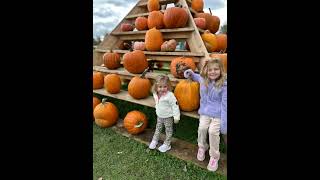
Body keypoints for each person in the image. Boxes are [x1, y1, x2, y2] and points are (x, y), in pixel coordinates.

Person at [184, 58, 227, 172]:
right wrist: (191, 74)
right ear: (206, 71)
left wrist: (224, 123)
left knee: (213, 132)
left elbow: (224, 105)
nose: (213, 72)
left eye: (216, 69)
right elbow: (197, 77)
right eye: (210, 70)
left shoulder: (224, 85)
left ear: (221, 70)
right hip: (205, 111)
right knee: (202, 128)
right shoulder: (204, 79)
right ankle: (202, 146)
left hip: (218, 114)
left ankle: (214, 156)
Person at [148, 75, 180, 153]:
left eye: (165, 86)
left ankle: (167, 144)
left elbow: (175, 105)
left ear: (168, 86)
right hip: (159, 115)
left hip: (168, 116)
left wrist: (176, 116)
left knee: (168, 130)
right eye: (160, 87)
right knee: (158, 128)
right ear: (156, 86)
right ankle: (155, 140)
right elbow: (157, 103)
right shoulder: (155, 94)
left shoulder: (170, 96)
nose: (162, 89)